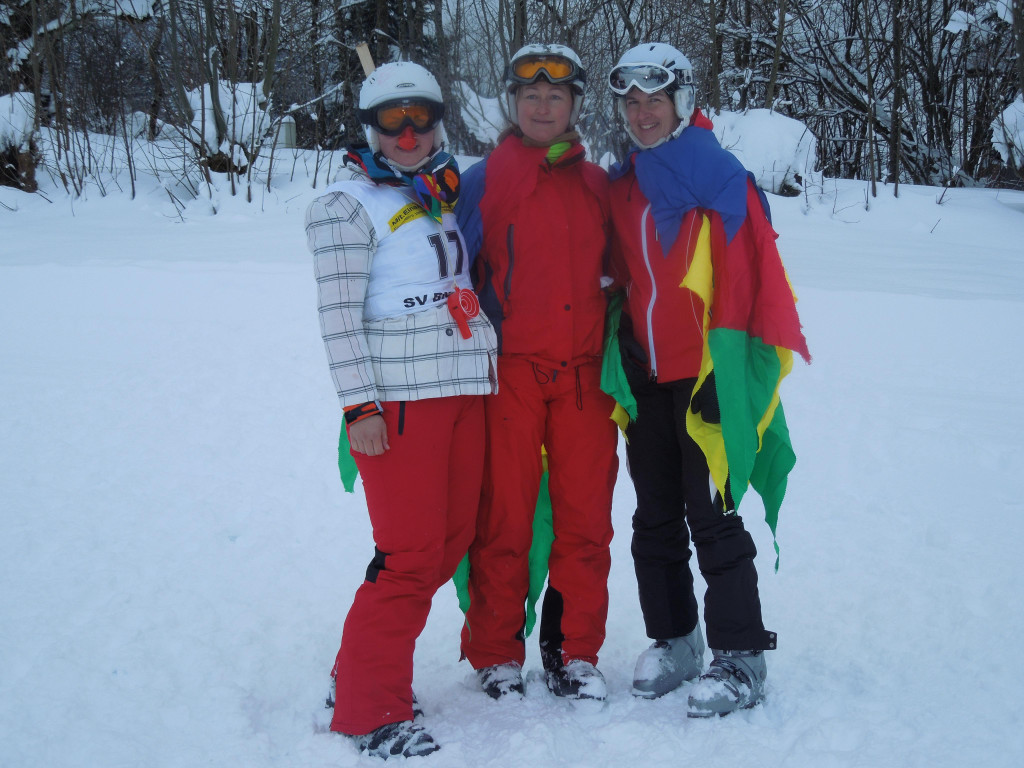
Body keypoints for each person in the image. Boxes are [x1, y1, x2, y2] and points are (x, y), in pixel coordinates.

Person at [605, 43, 810, 717]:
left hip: (705, 378)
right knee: (654, 518)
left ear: (681, 102)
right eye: (632, 103)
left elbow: (750, 278)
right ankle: (676, 640)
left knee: (713, 517)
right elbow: (618, 273)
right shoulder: (625, 183)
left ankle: (741, 654)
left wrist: (730, 374)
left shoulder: (719, 176)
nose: (642, 114)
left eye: (655, 101)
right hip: (645, 376)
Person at [305, 61, 497, 759]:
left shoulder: (438, 192)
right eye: (393, 121)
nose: (409, 134)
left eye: (421, 118)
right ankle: (370, 710)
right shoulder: (345, 205)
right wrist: (360, 405)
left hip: (461, 390)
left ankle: (355, 671)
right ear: (371, 129)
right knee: (410, 555)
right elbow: (338, 317)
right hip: (401, 401)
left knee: (448, 543)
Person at [456, 43, 619, 702]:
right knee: (504, 519)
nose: (543, 106)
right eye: (531, 95)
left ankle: (575, 652)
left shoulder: (599, 185)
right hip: (511, 375)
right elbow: (443, 266)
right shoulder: (483, 180)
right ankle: (496, 652)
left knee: (586, 522)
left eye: (556, 95)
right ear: (513, 103)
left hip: (584, 379)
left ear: (575, 105)